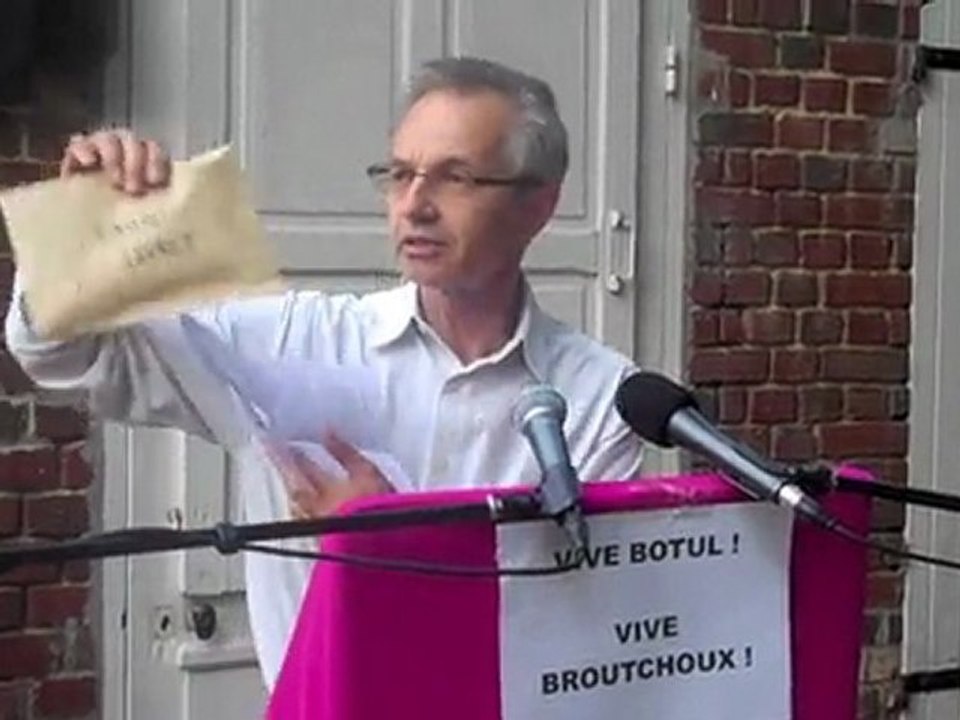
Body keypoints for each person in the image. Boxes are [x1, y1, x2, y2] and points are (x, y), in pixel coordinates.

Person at [4, 56, 643, 688]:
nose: (414, 205)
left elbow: (587, 633)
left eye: (456, 178)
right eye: (399, 174)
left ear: (538, 204)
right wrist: (81, 227)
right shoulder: (294, 342)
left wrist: (400, 550)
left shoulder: (600, 397)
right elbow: (63, 355)